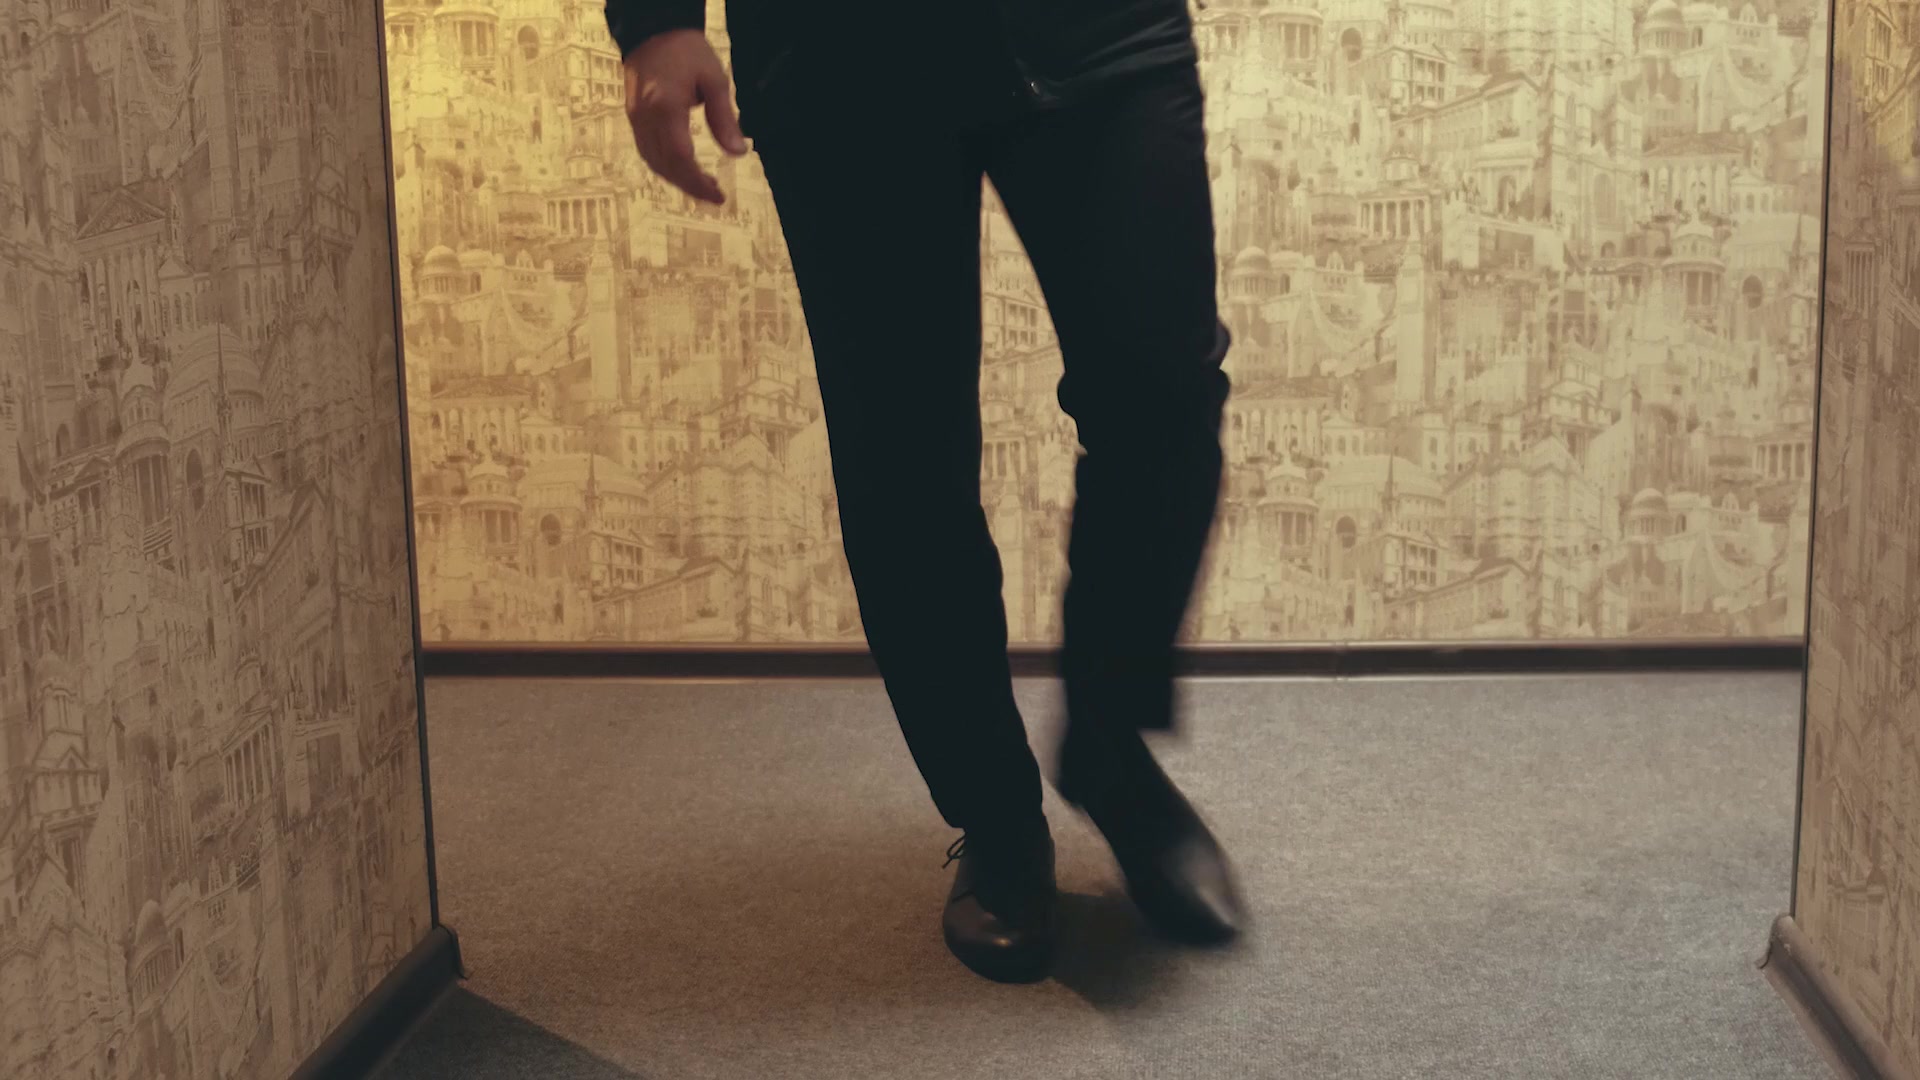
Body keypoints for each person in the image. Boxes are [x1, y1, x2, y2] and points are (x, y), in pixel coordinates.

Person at [607, 0, 1244, 983]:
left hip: (1099, 31)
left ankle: (1112, 751)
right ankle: (997, 819)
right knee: (903, 453)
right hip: (838, 50)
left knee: (1163, 392)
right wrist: (654, 17)